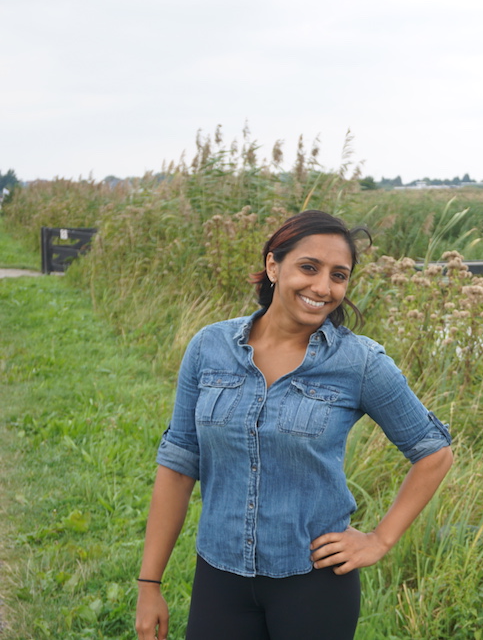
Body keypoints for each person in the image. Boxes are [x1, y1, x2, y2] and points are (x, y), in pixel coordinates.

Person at [135, 211, 454, 640]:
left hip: (314, 584)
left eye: (338, 275)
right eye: (309, 267)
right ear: (273, 266)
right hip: (220, 574)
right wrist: (149, 584)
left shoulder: (358, 362)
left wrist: (379, 540)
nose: (323, 287)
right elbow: (178, 465)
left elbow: (433, 451)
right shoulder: (209, 348)